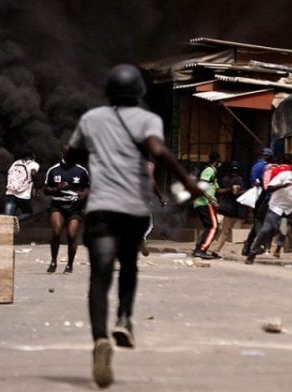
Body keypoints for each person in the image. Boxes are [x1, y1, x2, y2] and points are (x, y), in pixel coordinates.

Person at [69, 64, 209, 388]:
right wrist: (187, 180)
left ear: (109, 92)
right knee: (129, 265)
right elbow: (158, 150)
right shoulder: (149, 120)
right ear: (139, 93)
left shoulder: (91, 119)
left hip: (101, 208)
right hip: (132, 210)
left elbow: (73, 152)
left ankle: (100, 339)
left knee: (99, 276)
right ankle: (124, 319)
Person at [246, 160, 292, 265]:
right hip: (276, 207)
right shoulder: (283, 176)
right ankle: (252, 253)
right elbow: (269, 188)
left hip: (291, 208)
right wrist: (282, 186)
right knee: (266, 230)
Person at [43, 146, 91, 274]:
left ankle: (69, 264)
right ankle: (53, 260)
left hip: (75, 207)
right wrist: (56, 189)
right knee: (56, 231)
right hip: (57, 206)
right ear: (63, 154)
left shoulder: (81, 171)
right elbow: (46, 189)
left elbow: (87, 187)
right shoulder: (54, 170)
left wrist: (83, 194)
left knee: (71, 234)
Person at [242, 148, 273, 256]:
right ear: (268, 156)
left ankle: (248, 246)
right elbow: (258, 182)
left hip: (260, 197)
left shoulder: (257, 165)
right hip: (261, 198)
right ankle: (259, 245)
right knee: (260, 222)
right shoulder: (263, 167)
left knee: (258, 222)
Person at [210, 161, 246, 255]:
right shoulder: (239, 180)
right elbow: (236, 193)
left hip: (222, 207)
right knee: (225, 232)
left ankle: (207, 246)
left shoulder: (224, 179)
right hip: (230, 209)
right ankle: (215, 250)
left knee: (216, 228)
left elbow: (219, 190)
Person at [193, 152, 222, 259]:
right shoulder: (209, 170)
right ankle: (201, 249)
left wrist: (230, 190)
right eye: (219, 161)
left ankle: (198, 249)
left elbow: (217, 189)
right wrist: (210, 198)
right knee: (213, 226)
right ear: (217, 161)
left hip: (204, 202)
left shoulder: (213, 172)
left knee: (208, 226)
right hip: (204, 202)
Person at [3, 150, 40, 221]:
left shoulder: (16, 163)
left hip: (10, 192)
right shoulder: (34, 164)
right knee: (28, 213)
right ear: (32, 155)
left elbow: (9, 173)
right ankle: (16, 220)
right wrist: (35, 188)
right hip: (24, 195)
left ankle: (7, 225)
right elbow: (33, 173)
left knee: (6, 217)